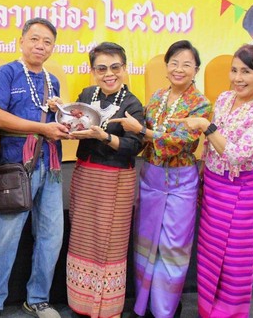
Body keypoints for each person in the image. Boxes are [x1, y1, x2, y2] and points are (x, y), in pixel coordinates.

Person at [171, 40, 253, 318]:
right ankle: (207, 309)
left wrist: (206, 126)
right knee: (209, 252)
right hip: (214, 186)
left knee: (235, 258)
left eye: (246, 72)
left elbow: (236, 155)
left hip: (242, 190)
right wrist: (202, 174)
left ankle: (230, 313)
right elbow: (209, 147)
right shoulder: (224, 98)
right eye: (234, 70)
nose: (237, 78)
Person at [112, 40, 212, 318]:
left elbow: (178, 142)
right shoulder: (156, 97)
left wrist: (142, 132)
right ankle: (144, 306)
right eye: (174, 63)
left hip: (181, 184)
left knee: (172, 249)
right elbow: (142, 139)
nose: (179, 69)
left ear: (196, 70)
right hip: (150, 179)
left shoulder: (201, 104)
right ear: (166, 66)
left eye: (186, 64)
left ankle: (165, 309)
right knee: (145, 246)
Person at [0, 17, 70, 318]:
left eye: (47, 42)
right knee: (6, 236)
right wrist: (42, 128)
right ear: (21, 41)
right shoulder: (6, 73)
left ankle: (38, 299)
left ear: (53, 47)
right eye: (34, 39)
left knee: (51, 235)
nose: (40, 46)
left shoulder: (52, 81)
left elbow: (54, 124)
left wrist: (65, 118)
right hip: (15, 166)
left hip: (51, 165)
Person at [56, 42, 144, 318]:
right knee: (83, 237)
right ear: (93, 71)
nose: (109, 74)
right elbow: (74, 124)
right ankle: (82, 302)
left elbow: (134, 146)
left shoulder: (132, 104)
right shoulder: (87, 95)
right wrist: (62, 116)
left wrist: (104, 136)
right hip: (85, 175)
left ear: (125, 68)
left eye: (115, 67)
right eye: (101, 68)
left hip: (115, 180)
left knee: (110, 243)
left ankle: (107, 308)